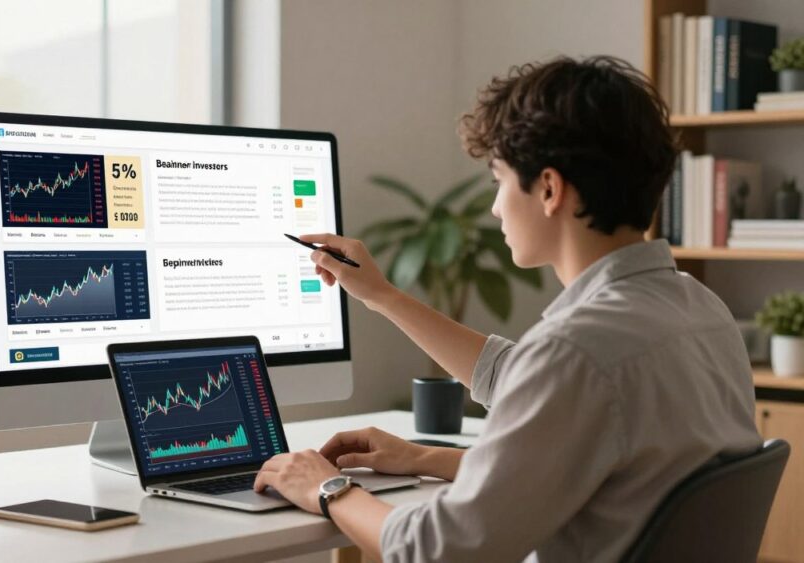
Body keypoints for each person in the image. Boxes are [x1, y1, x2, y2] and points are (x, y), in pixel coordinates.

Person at [251, 56, 761, 562]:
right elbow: (531, 389)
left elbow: (436, 550)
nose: (495, 206)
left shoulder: (577, 350)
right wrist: (385, 303)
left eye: (498, 179)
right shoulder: (699, 309)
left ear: (548, 188)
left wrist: (329, 489)